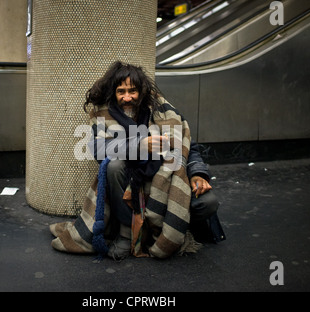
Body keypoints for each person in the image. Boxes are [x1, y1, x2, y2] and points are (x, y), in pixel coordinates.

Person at [50, 61, 225, 260]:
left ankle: (171, 229)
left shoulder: (163, 111)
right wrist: (140, 145)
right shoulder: (103, 114)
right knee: (113, 166)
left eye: (132, 91)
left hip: (166, 183)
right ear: (113, 93)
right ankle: (127, 235)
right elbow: (97, 149)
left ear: (141, 91)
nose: (127, 97)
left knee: (208, 202)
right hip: (128, 189)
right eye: (121, 91)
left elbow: (188, 146)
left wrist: (197, 174)